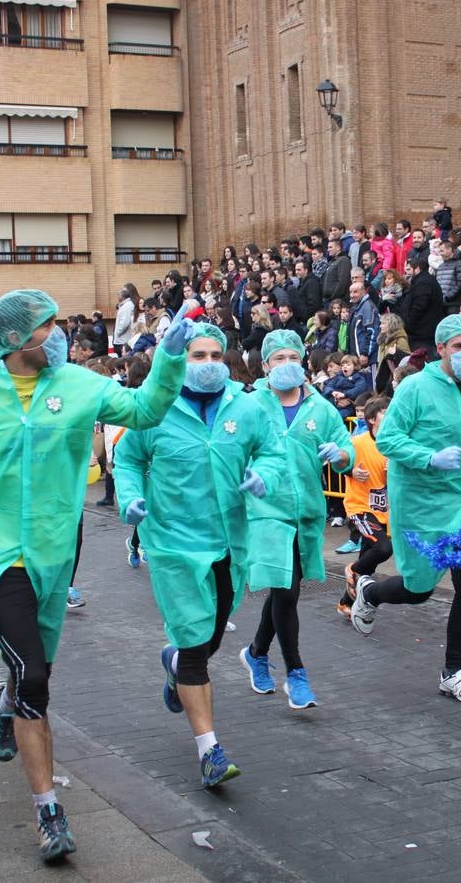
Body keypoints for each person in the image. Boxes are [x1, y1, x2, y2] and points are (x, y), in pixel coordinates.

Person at [0, 291, 193, 862]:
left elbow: (145, 411)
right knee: (33, 674)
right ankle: (48, 811)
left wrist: (170, 358)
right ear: (15, 339)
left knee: (36, 670)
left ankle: (7, 700)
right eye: (47, 326)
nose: (59, 335)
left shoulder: (80, 387)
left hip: (55, 551)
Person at [115, 321, 287, 788]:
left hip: (228, 541)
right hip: (172, 543)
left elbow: (271, 452)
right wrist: (129, 496)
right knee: (195, 647)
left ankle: (173, 664)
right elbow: (128, 458)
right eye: (197, 356)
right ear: (179, 360)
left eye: (215, 356)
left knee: (209, 639)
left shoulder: (246, 407)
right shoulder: (156, 405)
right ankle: (209, 750)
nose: (208, 365)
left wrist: (263, 475)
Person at [350, 314, 461, 704]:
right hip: (420, 502)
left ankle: (454, 671)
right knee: (419, 590)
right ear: (442, 349)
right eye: (458, 347)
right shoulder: (415, 387)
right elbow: (389, 440)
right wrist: (430, 458)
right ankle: (371, 593)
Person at [241, 330, 354, 708]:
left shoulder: (319, 408)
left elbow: (347, 447)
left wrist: (340, 453)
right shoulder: (252, 405)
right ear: (266, 365)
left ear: (303, 361)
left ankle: (257, 651)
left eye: (293, 357)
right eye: (279, 359)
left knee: (281, 589)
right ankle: (296, 673)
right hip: (265, 511)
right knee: (286, 592)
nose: (287, 365)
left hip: (305, 511)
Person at [337, 397, 392, 620]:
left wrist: (393, 472)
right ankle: (353, 570)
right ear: (371, 419)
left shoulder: (395, 444)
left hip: (383, 510)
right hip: (359, 506)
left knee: (370, 557)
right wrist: (351, 472)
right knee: (383, 549)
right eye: (385, 412)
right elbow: (338, 463)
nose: (390, 416)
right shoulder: (358, 442)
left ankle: (345, 603)